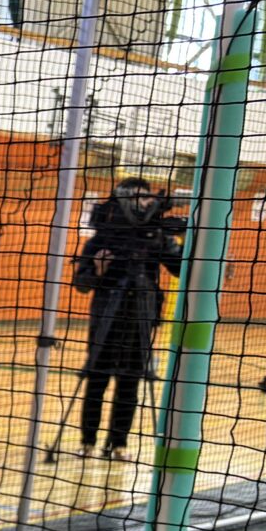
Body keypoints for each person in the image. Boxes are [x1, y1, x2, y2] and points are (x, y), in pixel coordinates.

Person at [72, 178, 184, 461]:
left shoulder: (155, 237)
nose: (143, 202)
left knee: (129, 385)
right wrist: (98, 269)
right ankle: (87, 441)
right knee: (96, 382)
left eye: (146, 197)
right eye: (136, 196)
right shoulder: (100, 240)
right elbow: (82, 283)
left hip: (140, 318)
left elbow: (181, 268)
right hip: (106, 319)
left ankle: (118, 444)